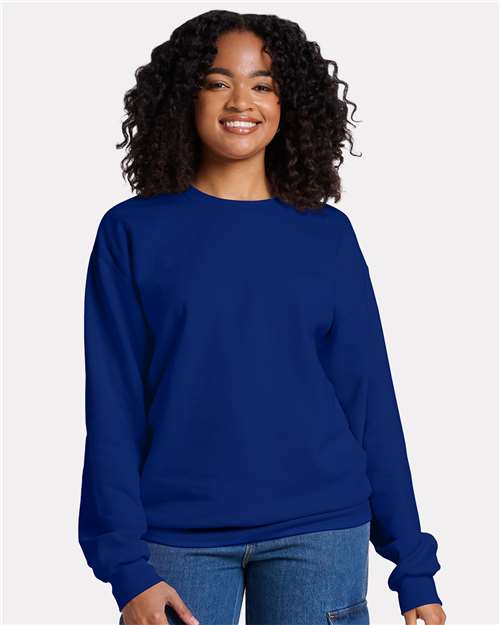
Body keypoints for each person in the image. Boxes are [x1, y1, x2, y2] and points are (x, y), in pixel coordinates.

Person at [78, 10, 446, 625]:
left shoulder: (327, 235)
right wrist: (126, 567)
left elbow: (369, 400)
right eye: (218, 82)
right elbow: (112, 406)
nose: (240, 102)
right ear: (185, 96)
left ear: (288, 102)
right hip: (177, 536)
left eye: (263, 85)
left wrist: (413, 567)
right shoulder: (132, 232)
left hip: (319, 532)